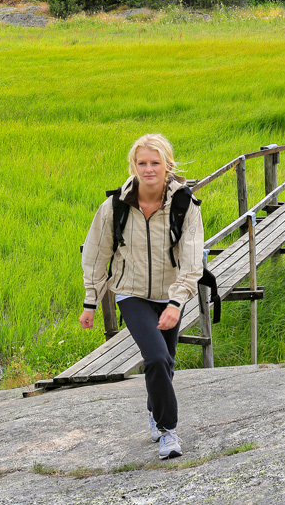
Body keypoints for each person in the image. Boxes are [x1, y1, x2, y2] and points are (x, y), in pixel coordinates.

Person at [79, 133, 203, 460]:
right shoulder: (115, 206)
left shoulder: (183, 205)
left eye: (155, 162)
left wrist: (177, 302)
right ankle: (168, 431)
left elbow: (192, 261)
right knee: (157, 358)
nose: (148, 169)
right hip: (130, 294)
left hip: (169, 293)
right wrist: (91, 301)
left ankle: (153, 409)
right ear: (133, 166)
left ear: (167, 166)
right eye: (142, 163)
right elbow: (95, 255)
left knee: (166, 363)